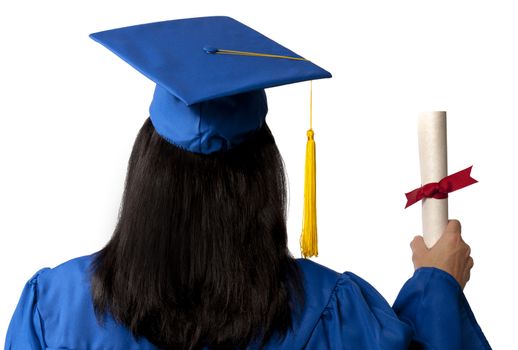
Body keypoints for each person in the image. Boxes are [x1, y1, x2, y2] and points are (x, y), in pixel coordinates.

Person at [5, 16, 491, 349]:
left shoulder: (53, 310)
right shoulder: (332, 313)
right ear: (262, 181)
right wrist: (438, 286)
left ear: (144, 175)